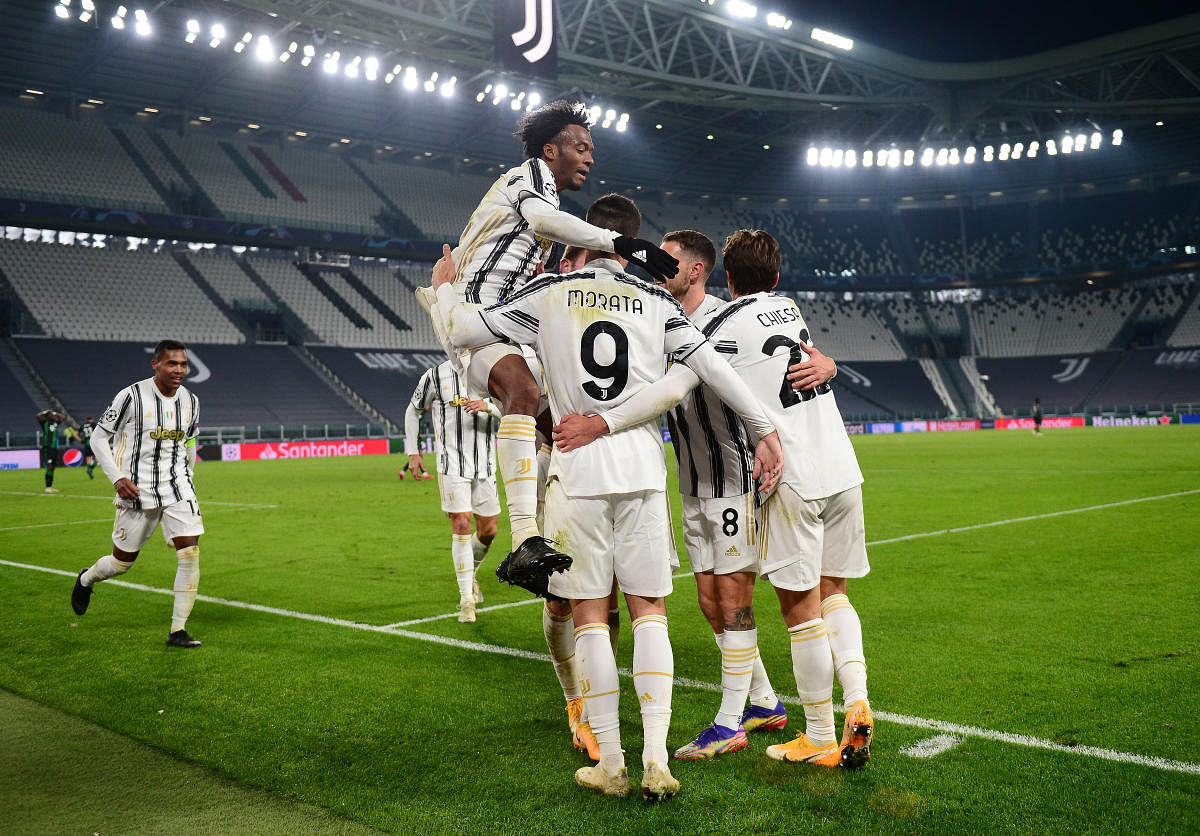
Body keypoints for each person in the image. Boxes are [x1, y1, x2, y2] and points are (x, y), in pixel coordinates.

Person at [434, 194, 784, 800]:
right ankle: (656, 760)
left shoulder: (549, 293)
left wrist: (444, 288)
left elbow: (464, 330)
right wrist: (764, 427)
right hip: (644, 469)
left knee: (591, 616)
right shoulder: (656, 300)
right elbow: (711, 367)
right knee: (651, 610)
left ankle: (611, 763)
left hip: (577, 472)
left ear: (582, 239)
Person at [553, 229, 874, 770]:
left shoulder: (720, 322)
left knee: (737, 603)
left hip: (735, 480)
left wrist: (601, 423)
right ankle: (768, 704)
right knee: (709, 604)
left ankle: (734, 721)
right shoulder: (653, 313)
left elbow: (685, 385)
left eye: (668, 259)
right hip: (694, 482)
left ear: (702, 271)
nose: (656, 264)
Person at [416, 100, 679, 592]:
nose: (590, 158)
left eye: (592, 150)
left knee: (552, 424)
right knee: (520, 387)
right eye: (581, 148)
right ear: (549, 149)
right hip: (475, 322)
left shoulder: (540, 197)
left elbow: (529, 235)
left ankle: (553, 526)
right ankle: (526, 540)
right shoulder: (528, 178)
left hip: (500, 322)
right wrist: (618, 242)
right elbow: (541, 220)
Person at [70, 340, 205, 649]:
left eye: (184, 364)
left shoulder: (191, 401)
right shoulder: (130, 396)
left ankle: (178, 630)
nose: (179, 370)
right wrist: (117, 478)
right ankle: (86, 579)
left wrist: (189, 478)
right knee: (121, 563)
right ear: (155, 364)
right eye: (172, 363)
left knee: (189, 553)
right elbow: (99, 440)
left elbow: (189, 443)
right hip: (136, 489)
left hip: (177, 487)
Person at [403, 360, 501, 623]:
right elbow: (413, 411)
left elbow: (511, 412)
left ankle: (471, 576)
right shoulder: (435, 375)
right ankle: (466, 600)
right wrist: (413, 452)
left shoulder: (491, 370)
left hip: (485, 465)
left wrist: (488, 407)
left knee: (489, 531)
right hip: (451, 465)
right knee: (461, 525)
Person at [36, 409, 64, 493]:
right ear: (47, 417)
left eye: (52, 415)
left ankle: (50, 487)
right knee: (49, 466)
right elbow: (37, 416)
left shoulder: (54, 424)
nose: (52, 416)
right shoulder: (44, 423)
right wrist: (45, 412)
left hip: (54, 448)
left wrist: (55, 413)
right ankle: (47, 487)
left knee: (53, 467)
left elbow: (62, 418)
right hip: (47, 448)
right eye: (50, 415)